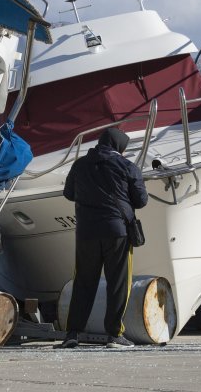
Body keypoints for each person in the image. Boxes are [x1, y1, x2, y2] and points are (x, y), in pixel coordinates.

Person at [60, 128, 148, 349]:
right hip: (116, 231)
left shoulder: (79, 165)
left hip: (86, 232)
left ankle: (73, 333)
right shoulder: (127, 167)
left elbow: (69, 193)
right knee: (117, 283)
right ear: (120, 146)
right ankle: (114, 334)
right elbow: (141, 200)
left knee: (83, 282)